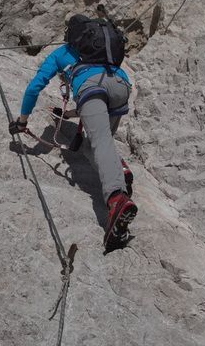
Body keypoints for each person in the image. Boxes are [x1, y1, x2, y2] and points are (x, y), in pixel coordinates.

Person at [9, 15, 137, 244]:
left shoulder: (61, 53)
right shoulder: (101, 50)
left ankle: (117, 199)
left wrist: (22, 121)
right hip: (121, 86)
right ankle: (119, 167)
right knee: (97, 143)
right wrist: (70, 114)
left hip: (92, 89)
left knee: (100, 144)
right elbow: (102, 94)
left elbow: (34, 87)